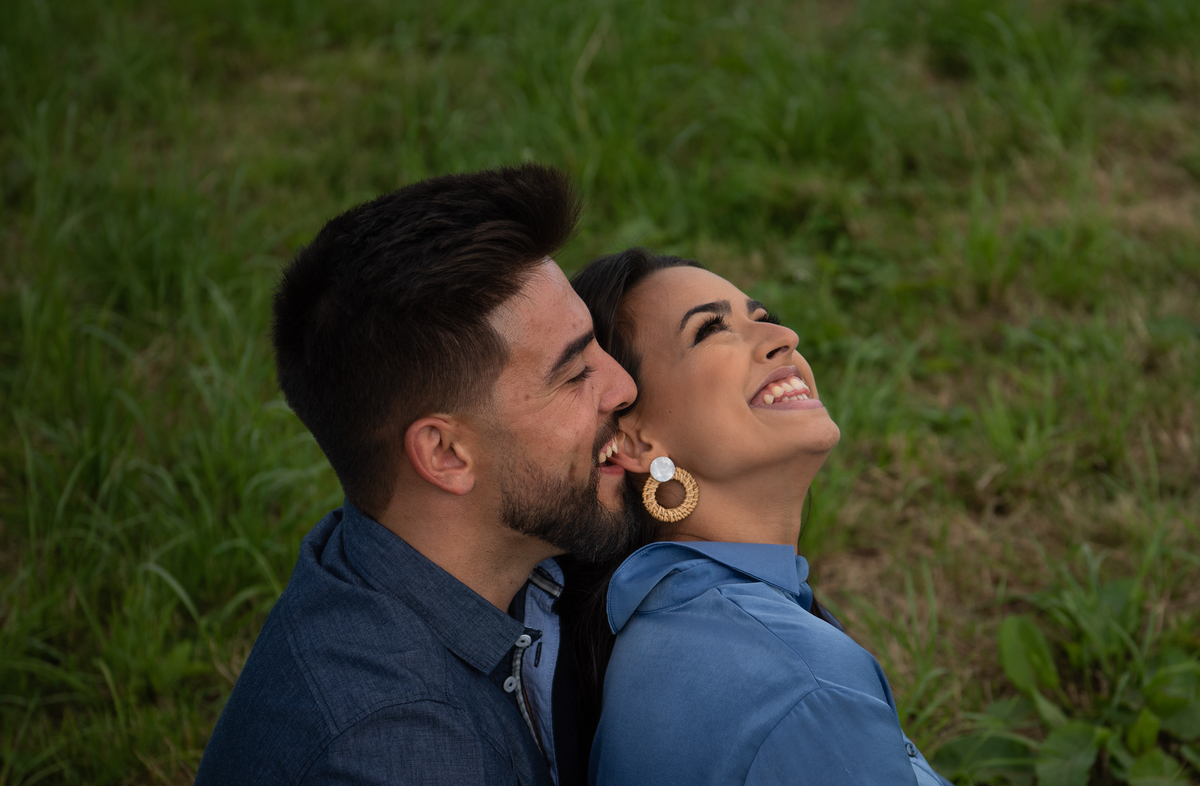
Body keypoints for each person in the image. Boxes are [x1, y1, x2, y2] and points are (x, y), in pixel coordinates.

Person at [195, 165, 638, 786]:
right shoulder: (400, 752)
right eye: (573, 375)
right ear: (445, 454)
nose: (624, 384)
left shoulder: (459, 574)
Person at [567, 248, 953, 786]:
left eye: (762, 318)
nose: (784, 337)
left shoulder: (662, 620)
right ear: (634, 439)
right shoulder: (802, 685)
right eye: (709, 330)